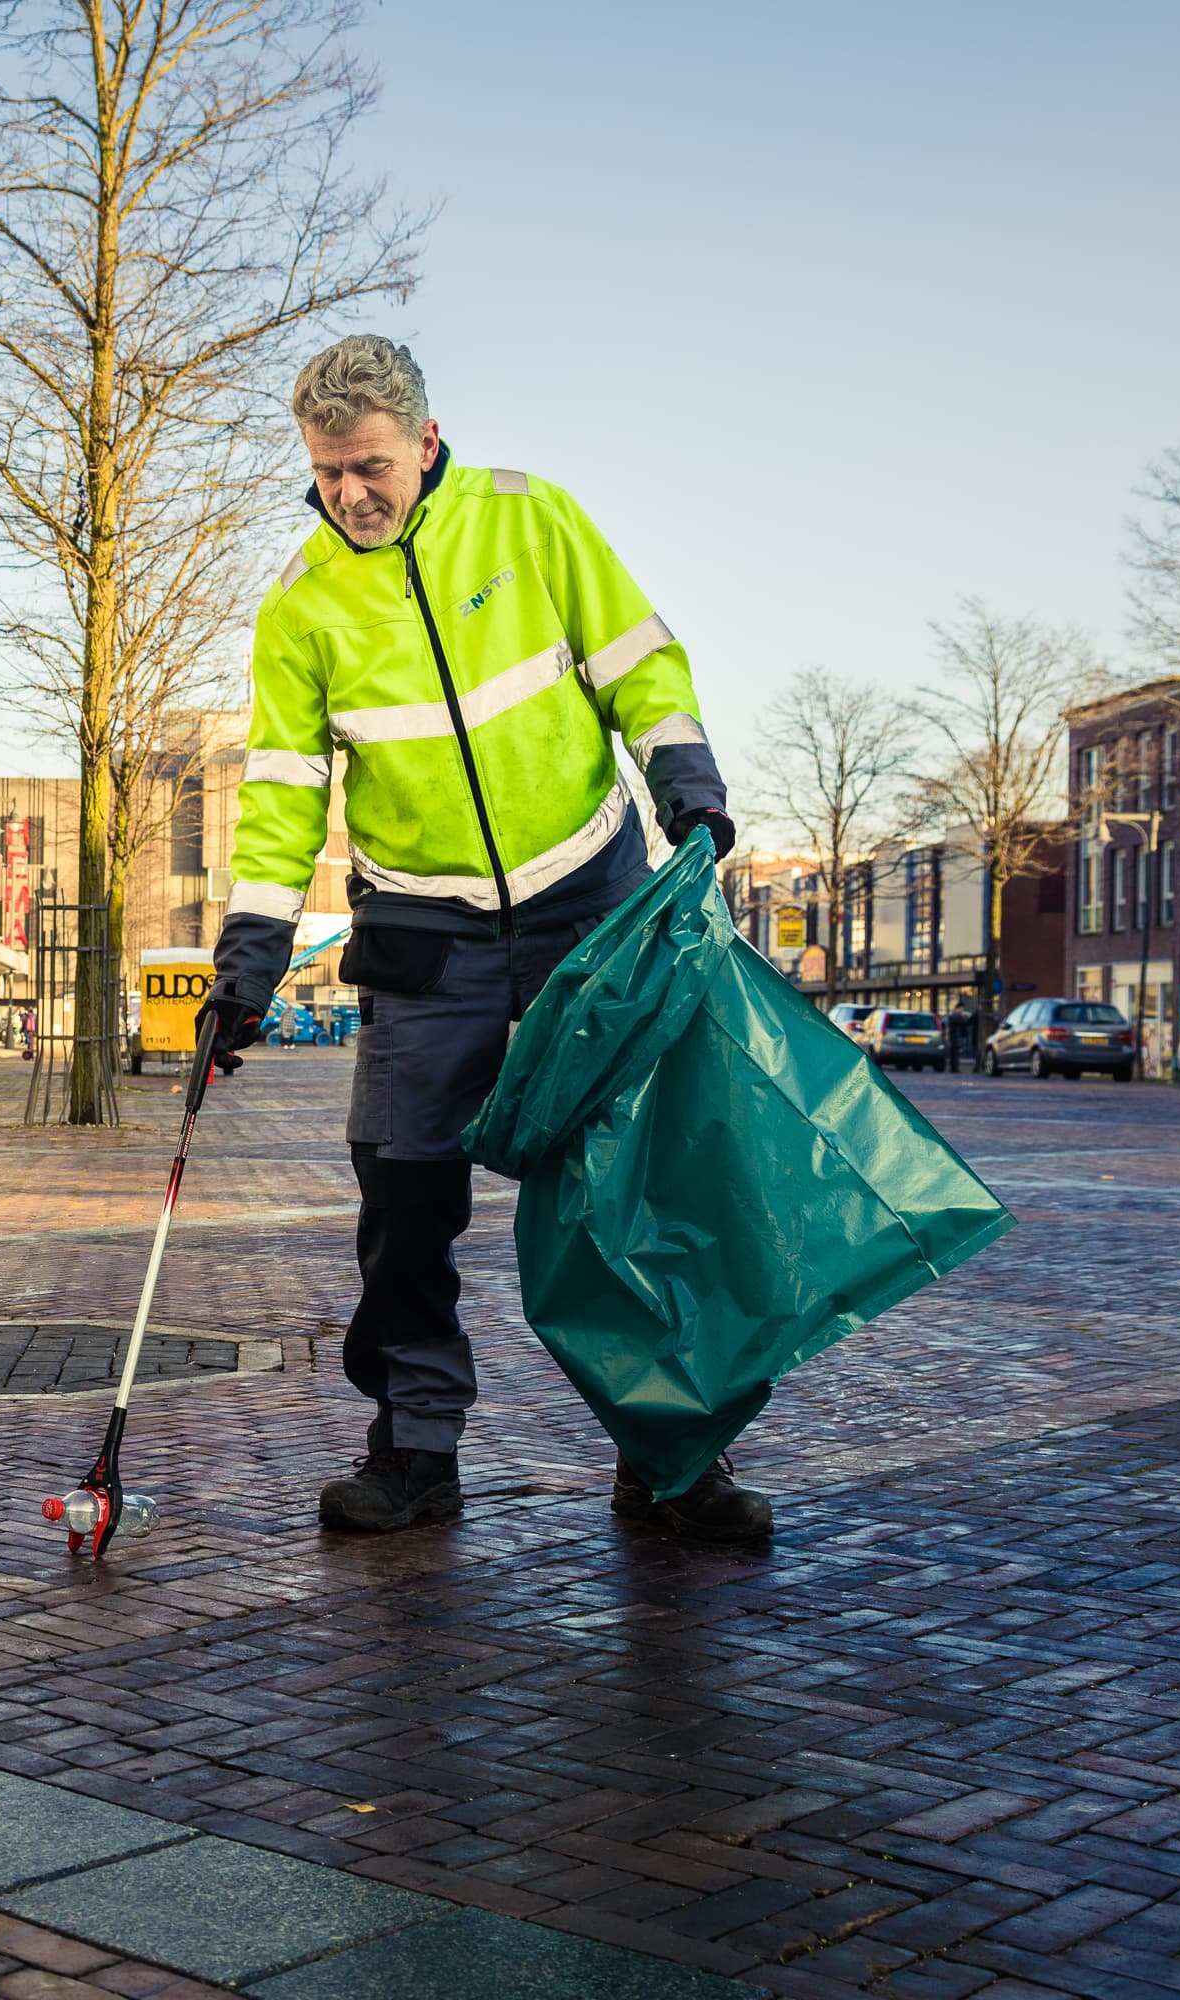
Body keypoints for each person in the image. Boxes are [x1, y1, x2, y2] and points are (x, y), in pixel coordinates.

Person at [200, 335, 762, 1543]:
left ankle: (671, 1455)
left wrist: (688, 785)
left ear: (427, 440)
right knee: (403, 1194)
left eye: (371, 465)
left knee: (627, 1187)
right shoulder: (301, 605)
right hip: (420, 929)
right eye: (327, 470)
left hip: (587, 902)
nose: (350, 493)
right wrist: (248, 960)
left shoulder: (531, 520)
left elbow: (639, 663)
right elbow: (282, 796)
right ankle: (414, 1449)